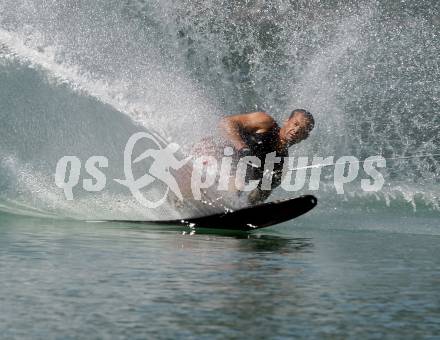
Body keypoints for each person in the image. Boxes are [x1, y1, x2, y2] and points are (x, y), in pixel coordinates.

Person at [218, 109, 315, 204]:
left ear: (305, 137)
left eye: (302, 130)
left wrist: (247, 207)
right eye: (295, 124)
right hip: (213, 156)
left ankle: (228, 206)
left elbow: (254, 200)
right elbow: (226, 122)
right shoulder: (265, 123)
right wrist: (242, 147)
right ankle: (227, 201)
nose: (296, 130)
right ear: (287, 121)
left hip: (224, 181)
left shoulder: (280, 167)